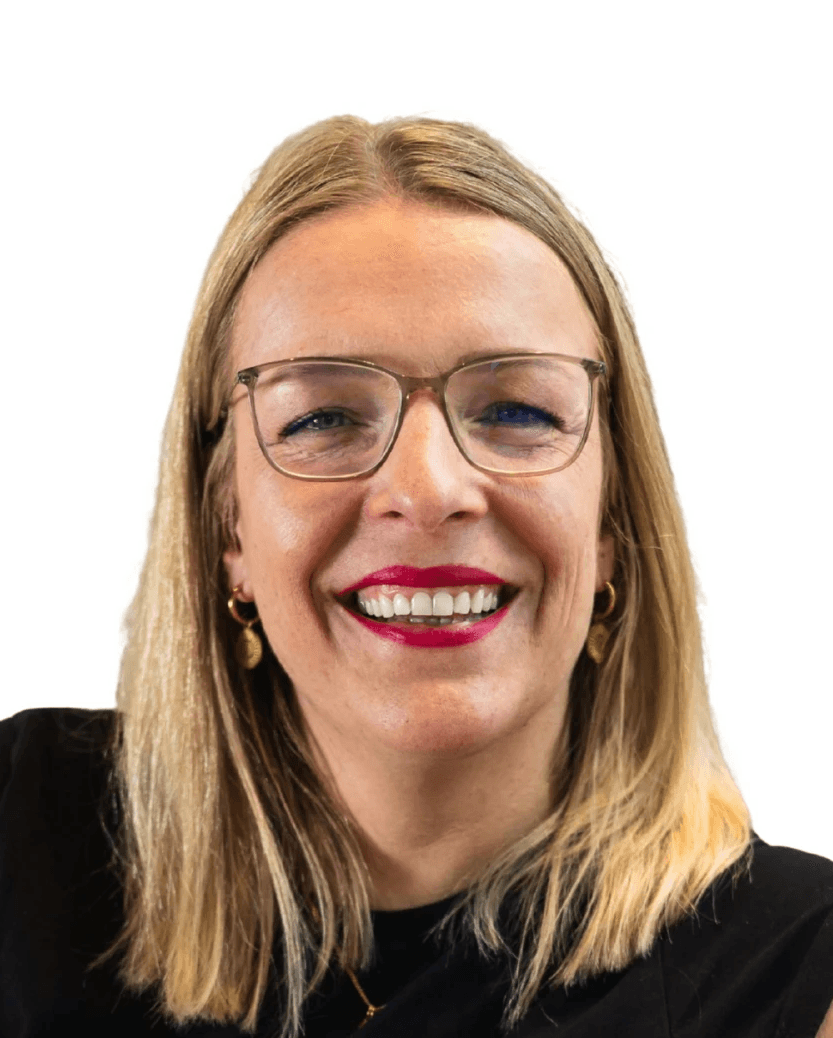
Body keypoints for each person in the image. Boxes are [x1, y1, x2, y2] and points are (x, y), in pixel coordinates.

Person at [1, 115, 831, 1038]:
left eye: (517, 410)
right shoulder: (28, 838)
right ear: (226, 527)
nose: (428, 491)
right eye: (321, 419)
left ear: (610, 520)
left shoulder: (799, 973)